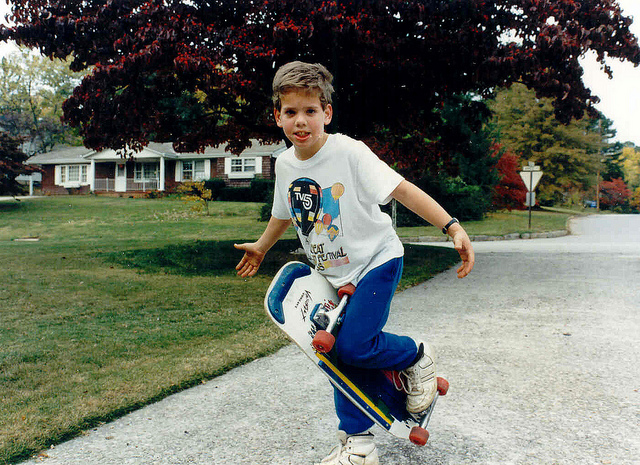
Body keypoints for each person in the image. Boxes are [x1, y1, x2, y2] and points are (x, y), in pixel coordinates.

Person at [234, 61, 475, 465]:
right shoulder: (285, 165)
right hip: (333, 275)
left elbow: (402, 190)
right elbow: (283, 213)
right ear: (277, 116)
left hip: (377, 261)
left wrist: (451, 226)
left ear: (327, 113)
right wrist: (261, 246)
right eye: (291, 111)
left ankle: (415, 356)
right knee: (335, 355)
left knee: (355, 345)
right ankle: (359, 444)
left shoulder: (349, 152)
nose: (300, 120)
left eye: (311, 110)